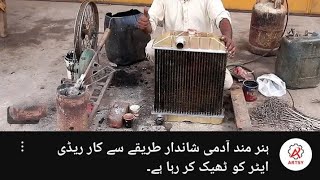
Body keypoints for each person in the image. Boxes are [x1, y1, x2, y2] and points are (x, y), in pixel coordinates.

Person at [137, 0, 236, 90]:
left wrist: (227, 37)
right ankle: (174, 71)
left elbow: (222, 17)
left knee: (226, 82)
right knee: (151, 49)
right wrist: (146, 25)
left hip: (201, 55)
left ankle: (192, 76)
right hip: (173, 52)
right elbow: (151, 22)